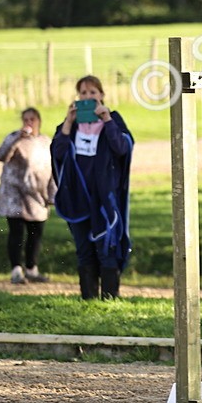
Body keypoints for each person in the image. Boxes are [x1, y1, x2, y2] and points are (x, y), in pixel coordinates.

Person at [51, 76, 134, 298]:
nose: (88, 97)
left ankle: (109, 297)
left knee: (107, 245)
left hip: (104, 197)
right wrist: (68, 123)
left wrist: (107, 120)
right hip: (77, 196)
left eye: (93, 93)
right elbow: (58, 153)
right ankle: (88, 298)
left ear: (102, 95)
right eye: (84, 94)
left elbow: (121, 148)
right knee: (83, 250)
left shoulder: (113, 120)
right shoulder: (69, 126)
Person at [0, 108, 56, 284]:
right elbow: (2, 155)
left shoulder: (45, 142)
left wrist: (52, 194)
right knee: (16, 231)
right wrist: (17, 139)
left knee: (35, 232)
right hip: (15, 194)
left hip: (38, 194)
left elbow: (52, 167)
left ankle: (32, 268)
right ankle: (16, 269)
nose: (29, 123)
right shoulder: (14, 138)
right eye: (26, 119)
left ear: (39, 121)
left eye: (32, 119)